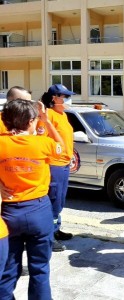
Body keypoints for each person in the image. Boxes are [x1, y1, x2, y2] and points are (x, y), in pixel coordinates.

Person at [0, 99, 63, 299]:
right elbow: (63, 150)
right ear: (30, 122)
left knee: (8, 271)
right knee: (40, 269)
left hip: (10, 212)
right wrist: (46, 119)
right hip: (38, 209)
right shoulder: (42, 143)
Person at [41, 84, 75, 252]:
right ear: (54, 98)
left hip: (64, 164)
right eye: (65, 97)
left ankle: (56, 229)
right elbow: (42, 140)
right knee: (53, 200)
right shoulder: (48, 116)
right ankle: (49, 236)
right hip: (54, 165)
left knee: (60, 200)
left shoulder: (62, 115)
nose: (67, 100)